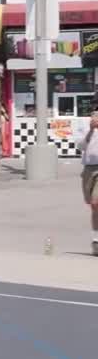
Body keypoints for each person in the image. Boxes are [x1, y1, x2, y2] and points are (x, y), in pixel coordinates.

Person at [83, 104, 98, 256]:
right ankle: (96, 240)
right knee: (93, 207)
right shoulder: (88, 128)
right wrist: (91, 130)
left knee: (96, 202)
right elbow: (80, 146)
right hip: (88, 170)